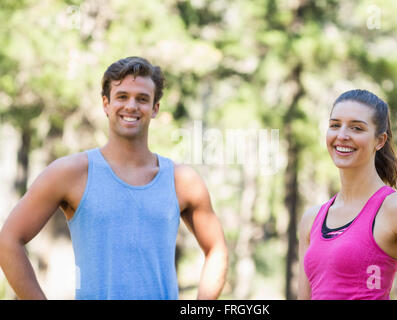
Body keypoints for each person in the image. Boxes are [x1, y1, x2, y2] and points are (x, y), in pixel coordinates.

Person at [0, 56, 228, 300]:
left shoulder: (182, 180)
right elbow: (8, 241)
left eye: (142, 99)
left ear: (155, 109)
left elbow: (217, 250)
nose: (131, 106)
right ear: (106, 104)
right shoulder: (70, 173)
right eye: (122, 97)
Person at [297, 89, 397, 300]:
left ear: (380, 141)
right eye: (335, 125)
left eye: (357, 128)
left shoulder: (396, 208)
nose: (342, 135)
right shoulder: (311, 219)